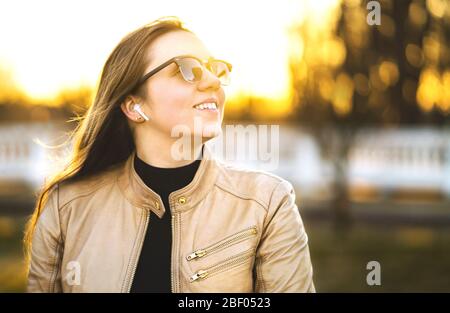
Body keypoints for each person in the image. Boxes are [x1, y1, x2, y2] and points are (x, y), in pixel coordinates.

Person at [25, 16, 315, 292]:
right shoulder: (67, 207)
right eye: (186, 69)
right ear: (134, 106)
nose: (212, 81)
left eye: (215, 68)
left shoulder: (268, 203)